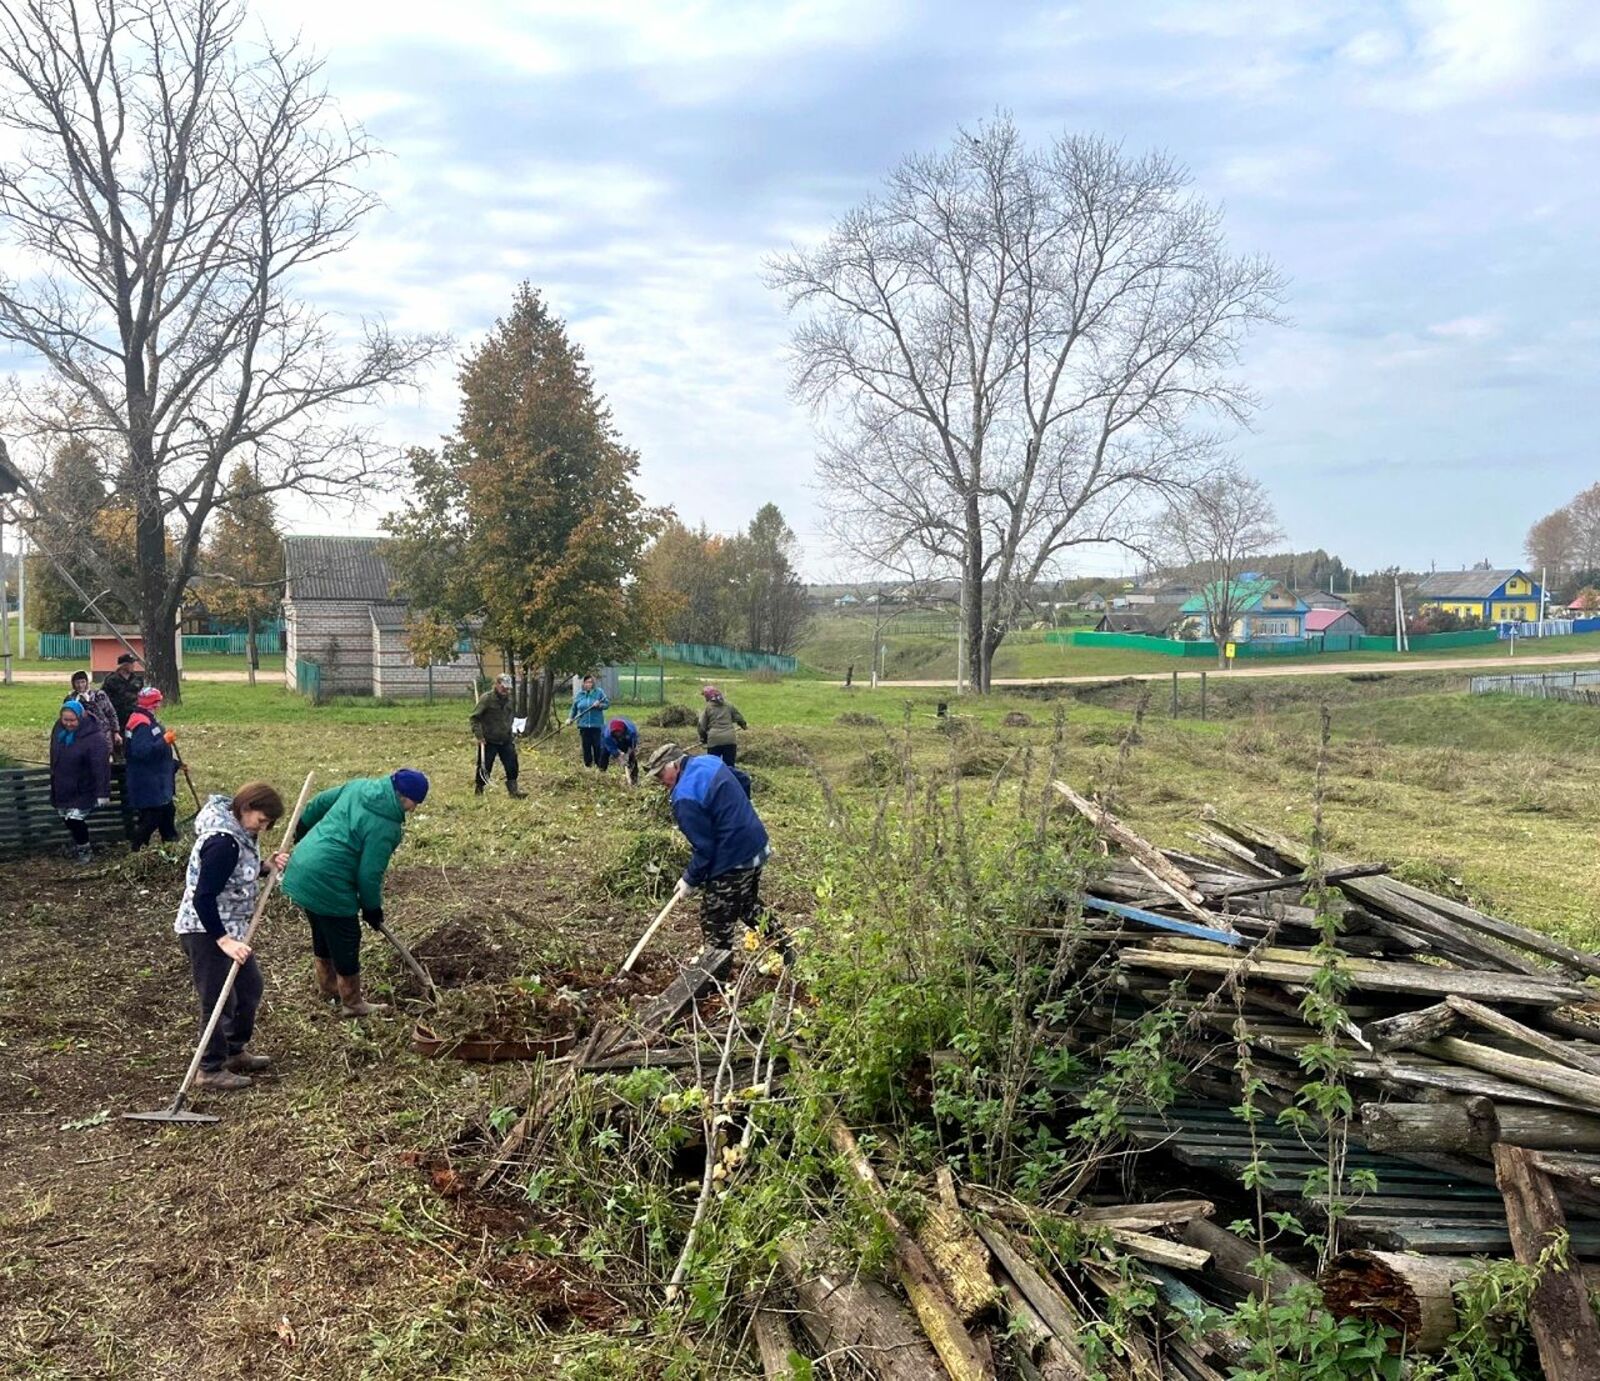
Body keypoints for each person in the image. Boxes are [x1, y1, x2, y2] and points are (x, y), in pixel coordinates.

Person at [280, 769, 429, 1018]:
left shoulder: (358, 786)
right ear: (405, 797)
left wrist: (303, 835)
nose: (414, 809)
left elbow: (317, 804)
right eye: (416, 803)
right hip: (329, 877)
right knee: (346, 935)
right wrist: (372, 908)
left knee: (322, 924)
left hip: (302, 866)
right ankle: (352, 1002)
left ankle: (327, 986)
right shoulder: (387, 826)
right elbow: (369, 874)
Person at [172, 783, 289, 1090]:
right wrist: (222, 940)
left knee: (249, 987)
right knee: (217, 999)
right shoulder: (223, 843)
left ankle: (234, 1051)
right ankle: (209, 1069)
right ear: (246, 807)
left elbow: (236, 875)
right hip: (205, 931)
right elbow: (203, 897)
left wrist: (265, 867)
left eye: (268, 824)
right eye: (261, 820)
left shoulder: (239, 832)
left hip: (231, 929)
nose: (263, 828)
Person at [644, 744, 790, 960]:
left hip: (735, 857)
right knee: (747, 905)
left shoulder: (684, 796)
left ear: (674, 765)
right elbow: (744, 780)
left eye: (661, 775)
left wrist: (689, 879)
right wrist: (736, 813)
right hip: (756, 843)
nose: (661, 783)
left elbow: (705, 847)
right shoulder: (708, 761)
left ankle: (714, 979)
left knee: (715, 919)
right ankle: (788, 948)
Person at [48, 700, 110, 863]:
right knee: (66, 818)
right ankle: (79, 844)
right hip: (63, 784)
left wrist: (102, 792)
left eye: (72, 720)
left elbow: (101, 767)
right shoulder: (59, 730)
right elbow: (54, 754)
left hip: (84, 787)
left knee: (75, 819)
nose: (68, 724)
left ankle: (85, 850)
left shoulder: (95, 738)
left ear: (81, 717)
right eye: (65, 720)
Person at [125, 686, 180, 849]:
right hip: (147, 780)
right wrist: (164, 740)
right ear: (153, 704)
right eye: (158, 702)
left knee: (167, 811)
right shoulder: (141, 723)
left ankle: (170, 843)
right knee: (152, 817)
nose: (160, 706)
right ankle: (137, 847)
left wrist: (174, 765)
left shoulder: (144, 718)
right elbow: (141, 752)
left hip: (156, 778)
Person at [470, 673, 524, 797]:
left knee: (512, 764)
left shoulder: (510, 700)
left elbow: (509, 717)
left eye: (508, 688)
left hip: (505, 739)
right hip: (488, 740)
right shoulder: (487, 699)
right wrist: (479, 736)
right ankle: (479, 790)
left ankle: (513, 791)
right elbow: (474, 718)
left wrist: (513, 732)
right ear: (497, 685)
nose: (506, 690)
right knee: (485, 766)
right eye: (504, 687)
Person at [70, 670, 121, 761]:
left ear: (87, 682)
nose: (80, 685)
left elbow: (111, 713)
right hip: (81, 738)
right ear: (73, 684)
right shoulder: (71, 699)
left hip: (102, 735)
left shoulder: (99, 695)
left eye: (83, 682)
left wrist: (116, 732)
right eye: (77, 682)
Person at [697, 684, 749, 767]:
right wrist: (743, 725)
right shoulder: (728, 706)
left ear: (707, 697)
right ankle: (730, 778)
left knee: (713, 766)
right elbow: (739, 717)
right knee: (730, 766)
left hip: (714, 740)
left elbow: (702, 726)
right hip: (730, 740)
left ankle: (716, 779)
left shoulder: (708, 709)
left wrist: (703, 738)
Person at [569, 673, 610, 769]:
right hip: (583, 725)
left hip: (596, 726)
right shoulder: (579, 694)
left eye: (591, 682)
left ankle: (600, 767)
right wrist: (570, 718)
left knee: (597, 747)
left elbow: (607, 704)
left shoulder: (599, 692)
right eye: (587, 682)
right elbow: (574, 708)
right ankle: (588, 766)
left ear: (593, 684)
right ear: (583, 683)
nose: (589, 684)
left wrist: (599, 705)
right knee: (586, 747)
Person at [101, 652, 146, 731]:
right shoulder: (111, 680)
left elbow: (143, 697)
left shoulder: (138, 680)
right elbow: (104, 698)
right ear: (123, 665)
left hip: (135, 717)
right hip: (118, 719)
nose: (133, 666)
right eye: (131, 663)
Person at [598, 716, 640, 785]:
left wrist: (628, 754)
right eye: (615, 732)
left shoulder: (631, 732)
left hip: (626, 738)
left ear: (623, 730)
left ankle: (634, 779)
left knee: (632, 758)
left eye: (618, 732)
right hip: (608, 741)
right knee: (604, 754)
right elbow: (611, 747)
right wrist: (619, 756)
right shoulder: (607, 735)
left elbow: (632, 746)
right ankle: (601, 775)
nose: (617, 734)